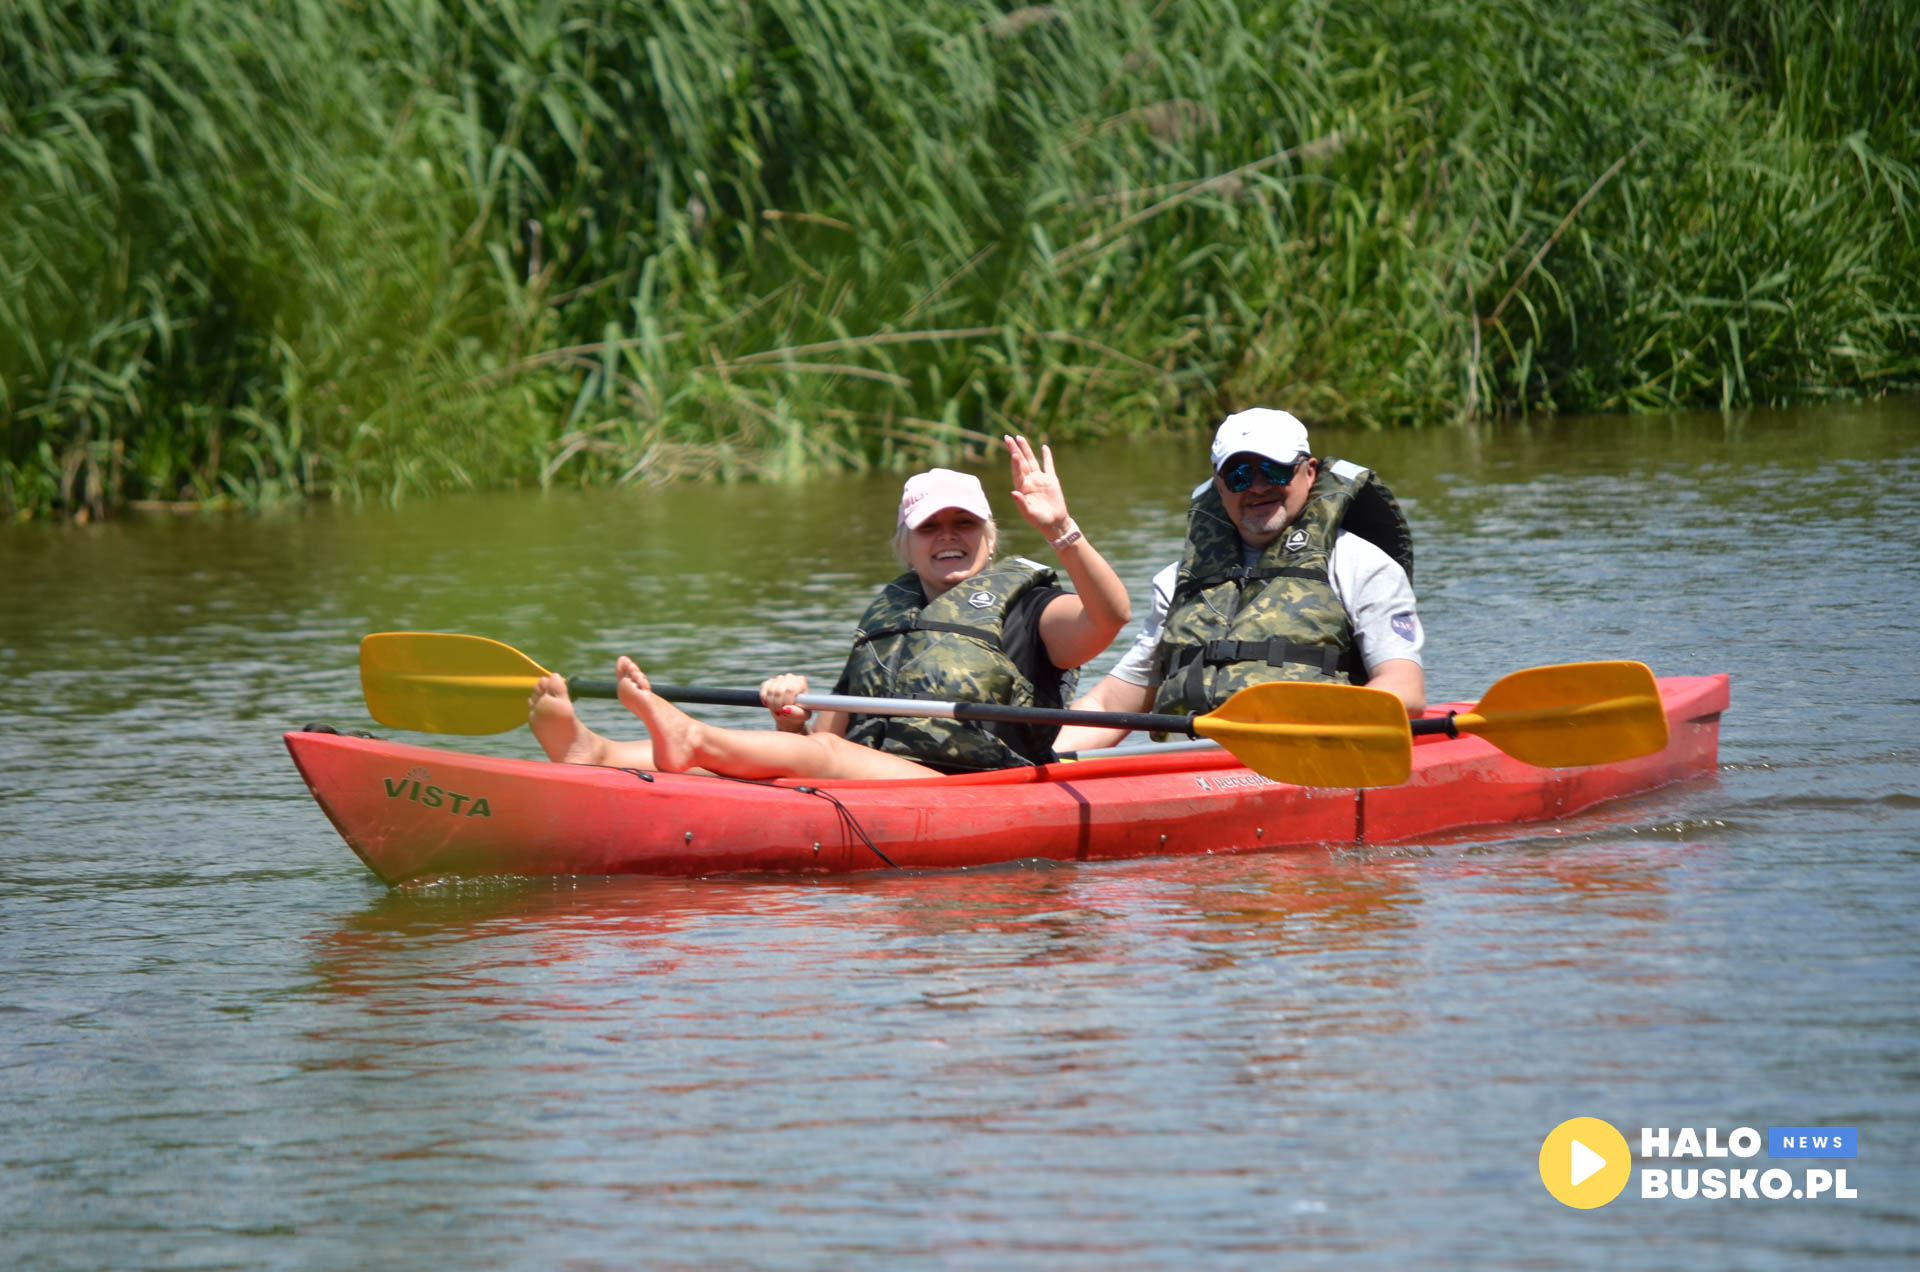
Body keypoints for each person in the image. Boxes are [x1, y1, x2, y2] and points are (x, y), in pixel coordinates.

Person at [527, 434, 1130, 779]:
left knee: (817, 757)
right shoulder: (889, 619)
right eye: (930, 527)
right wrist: (791, 723)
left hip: (974, 786)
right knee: (779, 756)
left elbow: (1109, 618)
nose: (948, 535)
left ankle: (690, 738)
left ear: (989, 537)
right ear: (905, 545)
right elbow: (826, 734)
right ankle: (597, 753)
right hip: (872, 775)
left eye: (964, 523)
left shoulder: (1031, 610)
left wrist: (1062, 530)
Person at [1052, 407, 1425, 754]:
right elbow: (1109, 704)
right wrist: (1040, 757)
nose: (1258, 487)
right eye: (1239, 475)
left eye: (1275, 471)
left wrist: (1314, 727)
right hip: (1189, 768)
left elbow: (1405, 691)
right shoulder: (1178, 582)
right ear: (1219, 485)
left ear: (1309, 472)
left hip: (1307, 755)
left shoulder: (1360, 564)